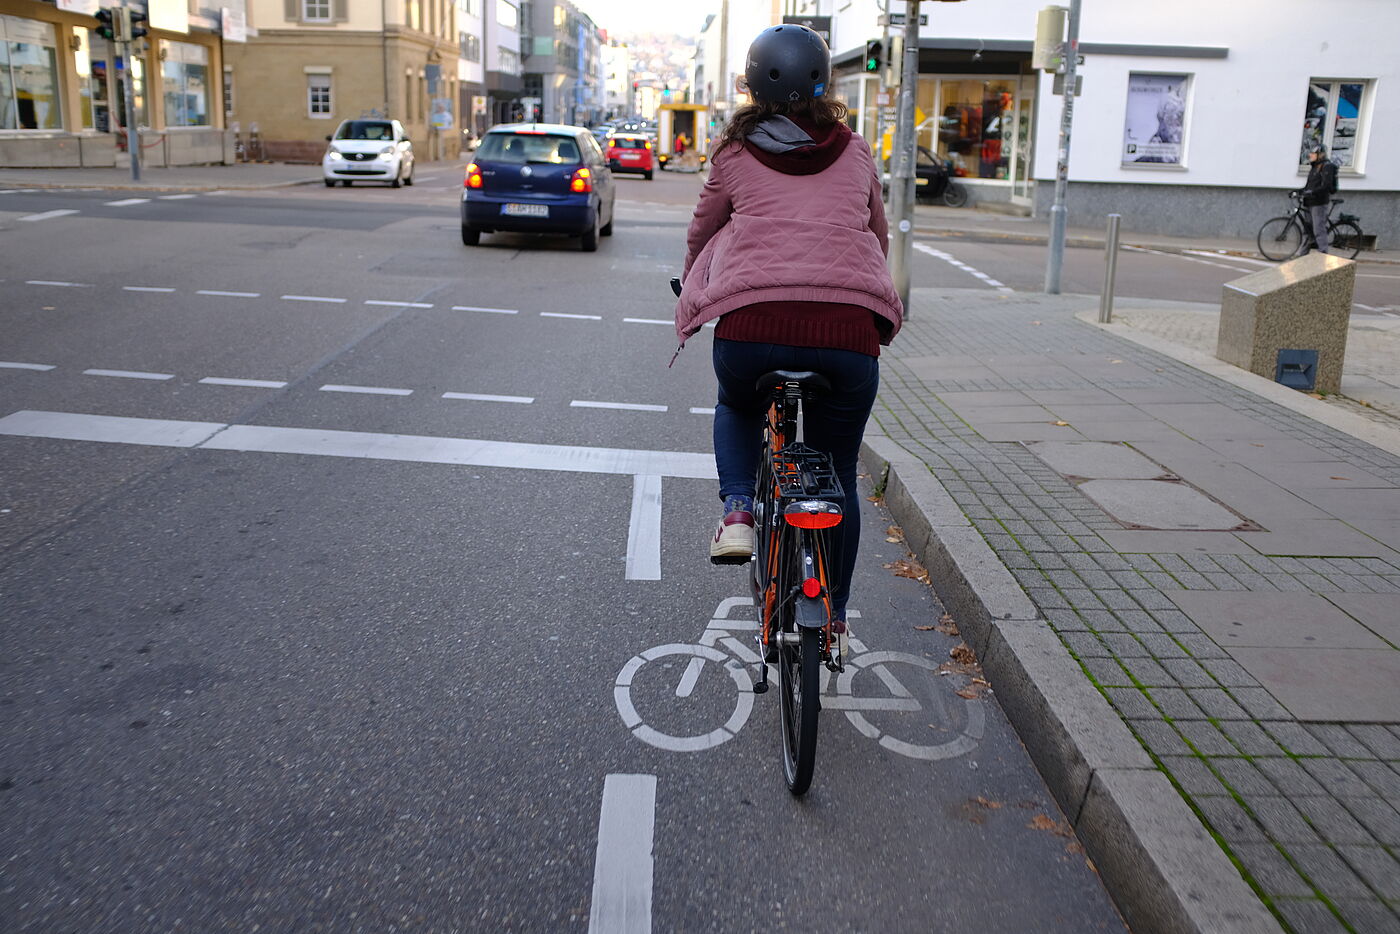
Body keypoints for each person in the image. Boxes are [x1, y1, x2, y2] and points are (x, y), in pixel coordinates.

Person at [673, 23, 903, 632]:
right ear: (824, 83)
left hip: (753, 329)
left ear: (751, 85)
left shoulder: (732, 155)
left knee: (738, 404)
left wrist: (692, 280)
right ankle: (834, 617)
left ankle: (741, 510)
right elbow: (875, 236)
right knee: (840, 477)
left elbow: (702, 233)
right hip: (848, 339)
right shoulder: (854, 150)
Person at [1297, 142, 1338, 254]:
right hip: (1309, 202)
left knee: (1318, 229)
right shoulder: (1314, 167)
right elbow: (1309, 185)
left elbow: (1326, 186)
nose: (1310, 155)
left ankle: (1323, 253)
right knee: (1308, 229)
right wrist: (1299, 191)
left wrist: (1312, 192)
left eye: (1313, 153)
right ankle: (1303, 254)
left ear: (1319, 154)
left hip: (1319, 203)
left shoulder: (1326, 167)